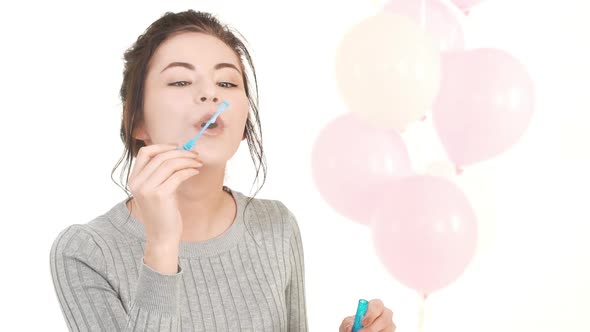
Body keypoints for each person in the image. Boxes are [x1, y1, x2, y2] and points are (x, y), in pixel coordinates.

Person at [49, 9, 396, 332]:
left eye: (227, 83)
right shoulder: (86, 251)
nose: (209, 94)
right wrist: (162, 244)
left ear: (244, 121)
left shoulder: (276, 226)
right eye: (181, 82)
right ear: (136, 121)